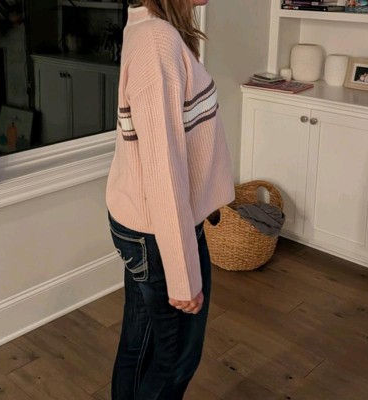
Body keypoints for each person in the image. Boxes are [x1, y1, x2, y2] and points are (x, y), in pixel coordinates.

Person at [105, 0, 234, 398]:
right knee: (176, 359)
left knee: (140, 345)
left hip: (143, 224)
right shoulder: (157, 42)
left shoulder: (148, 27)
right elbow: (164, 169)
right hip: (159, 234)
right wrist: (183, 276)